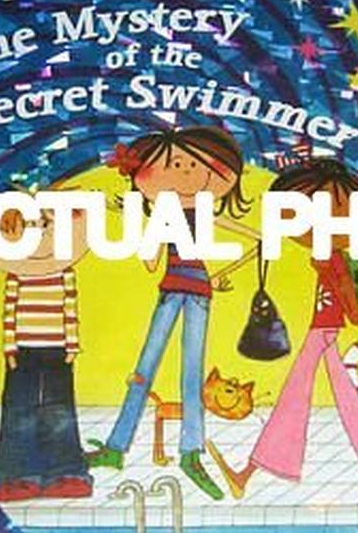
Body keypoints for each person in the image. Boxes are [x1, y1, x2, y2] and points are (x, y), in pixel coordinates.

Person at [207, 158, 358, 504]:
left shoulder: (332, 256)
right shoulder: (322, 256)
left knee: (297, 397)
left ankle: (249, 472)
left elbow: (344, 296)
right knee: (333, 400)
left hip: (324, 329)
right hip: (323, 329)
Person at [85, 125, 258, 499]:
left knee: (189, 374)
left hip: (197, 295)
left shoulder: (203, 211)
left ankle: (190, 453)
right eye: (175, 165)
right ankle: (117, 449)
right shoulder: (166, 213)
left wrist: (223, 273)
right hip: (173, 292)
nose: (185, 172)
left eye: (193, 165)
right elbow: (150, 261)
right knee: (144, 370)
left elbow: (257, 241)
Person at [0, 205, 92, 502]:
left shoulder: (64, 274)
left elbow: (69, 309)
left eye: (45, 228)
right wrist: (10, 347)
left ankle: (66, 472)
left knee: (59, 409)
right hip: (22, 350)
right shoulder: (16, 276)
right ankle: (17, 475)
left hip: (58, 349)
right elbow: (9, 312)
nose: (38, 240)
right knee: (19, 409)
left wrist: (71, 345)